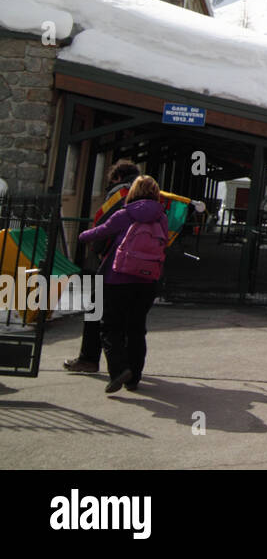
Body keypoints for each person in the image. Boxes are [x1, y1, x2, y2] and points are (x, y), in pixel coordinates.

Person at [76, 175, 168, 394]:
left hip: (117, 278)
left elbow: (99, 232)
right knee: (136, 329)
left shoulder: (124, 215)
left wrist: (82, 235)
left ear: (132, 192)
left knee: (111, 327)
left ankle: (119, 370)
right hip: (147, 280)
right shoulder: (161, 218)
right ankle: (134, 378)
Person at [64, 159, 139, 374]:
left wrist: (96, 249)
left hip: (112, 264)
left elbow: (103, 226)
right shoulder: (152, 198)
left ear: (117, 176)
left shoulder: (119, 195)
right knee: (130, 320)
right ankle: (132, 369)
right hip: (143, 270)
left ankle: (89, 359)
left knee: (97, 312)